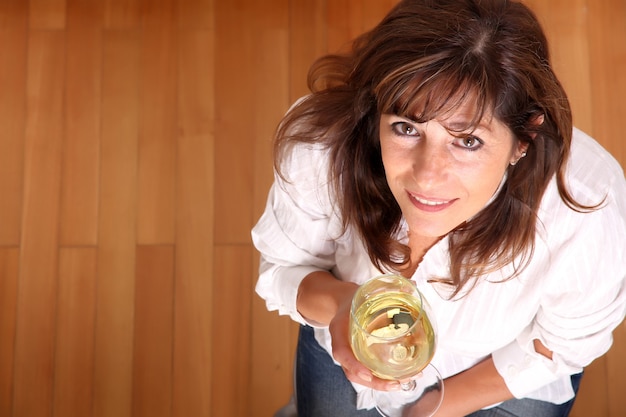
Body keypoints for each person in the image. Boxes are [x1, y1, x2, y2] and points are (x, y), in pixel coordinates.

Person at [251, 0, 626, 416]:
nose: (427, 176)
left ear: (524, 137)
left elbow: (565, 342)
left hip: (510, 372)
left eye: (468, 141)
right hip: (348, 339)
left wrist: (436, 407)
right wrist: (342, 304)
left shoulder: (587, 207)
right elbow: (283, 269)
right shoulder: (319, 148)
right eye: (407, 128)